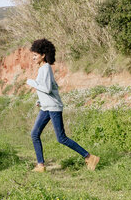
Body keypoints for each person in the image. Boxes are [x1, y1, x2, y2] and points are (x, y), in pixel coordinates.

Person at [26, 39, 100, 172]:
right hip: (46, 107)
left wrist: (31, 82)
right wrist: (40, 101)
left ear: (43, 55)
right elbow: (50, 91)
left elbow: (47, 88)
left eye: (35, 55)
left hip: (53, 108)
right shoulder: (43, 69)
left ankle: (90, 157)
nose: (33, 58)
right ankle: (40, 165)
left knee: (61, 138)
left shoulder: (46, 68)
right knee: (34, 134)